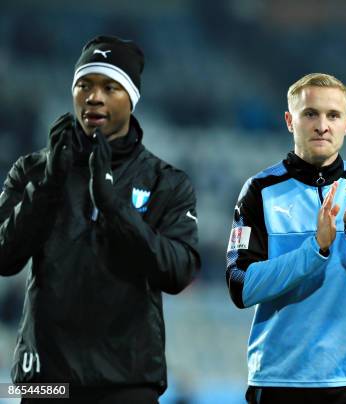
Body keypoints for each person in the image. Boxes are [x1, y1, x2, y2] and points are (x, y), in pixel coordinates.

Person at [0, 35, 200, 403]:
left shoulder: (166, 182)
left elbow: (178, 273)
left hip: (128, 382)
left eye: (110, 87)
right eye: (85, 85)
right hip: (45, 380)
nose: (94, 97)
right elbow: (4, 256)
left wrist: (114, 207)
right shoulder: (32, 171)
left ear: (132, 99)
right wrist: (48, 185)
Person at [225, 73, 346, 404]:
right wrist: (315, 249)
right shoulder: (260, 190)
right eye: (311, 114)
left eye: (333, 115)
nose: (323, 125)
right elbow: (240, 286)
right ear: (290, 120)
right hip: (280, 383)